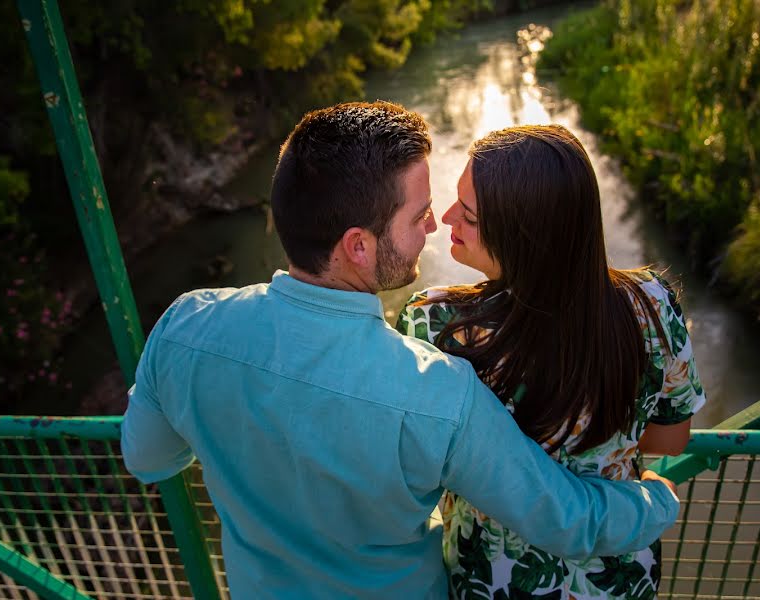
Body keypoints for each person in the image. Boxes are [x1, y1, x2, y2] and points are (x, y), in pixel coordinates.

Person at [120, 103, 680, 600]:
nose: (435, 226)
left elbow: (148, 459)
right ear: (358, 246)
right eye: (418, 216)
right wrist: (655, 503)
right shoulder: (437, 395)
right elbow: (565, 520)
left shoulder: (183, 328)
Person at [396, 124, 706, 599]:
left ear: (526, 236)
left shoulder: (437, 325)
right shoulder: (652, 303)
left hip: (495, 580)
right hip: (617, 576)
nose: (448, 217)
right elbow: (671, 437)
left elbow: (411, 464)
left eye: (471, 217)